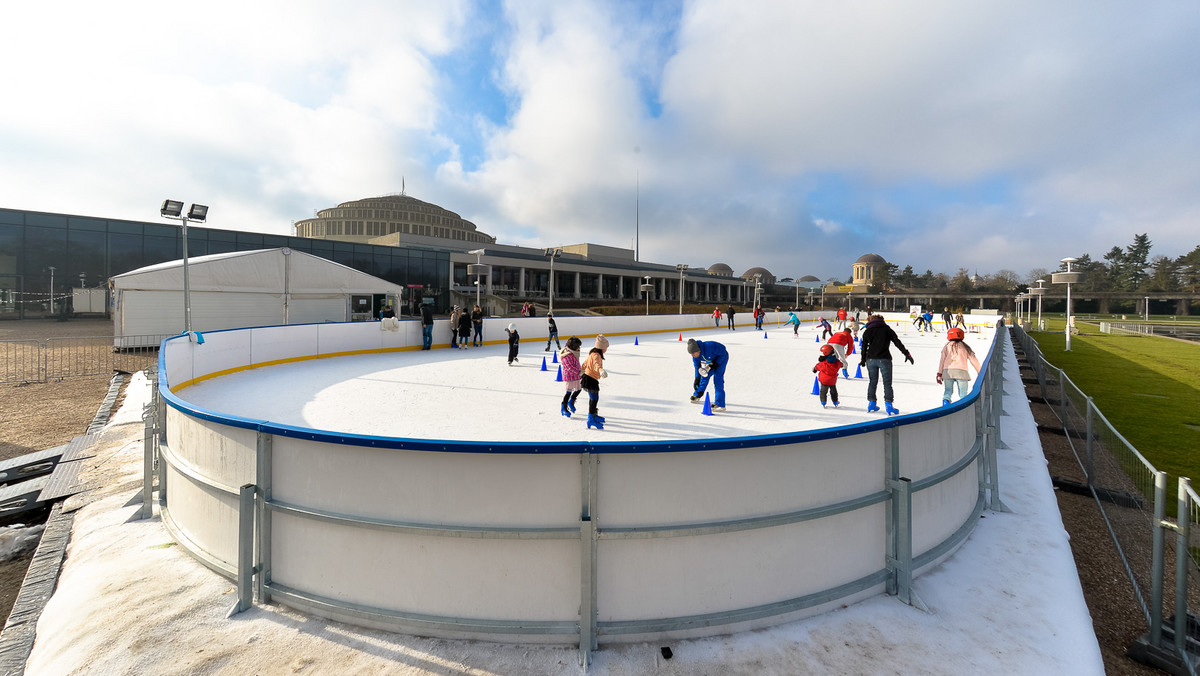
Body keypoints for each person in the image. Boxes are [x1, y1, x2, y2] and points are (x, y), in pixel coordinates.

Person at [859, 313, 914, 415]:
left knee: (872, 381)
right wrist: (907, 354)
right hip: (884, 359)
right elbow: (897, 342)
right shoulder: (887, 329)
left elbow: (864, 347)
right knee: (887, 383)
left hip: (870, 360)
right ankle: (889, 405)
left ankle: (871, 403)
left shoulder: (868, 331)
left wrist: (863, 359)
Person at [937, 327, 981, 405]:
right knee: (963, 393)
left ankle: (946, 401)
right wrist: (980, 372)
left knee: (948, 390)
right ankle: (963, 404)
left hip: (948, 372)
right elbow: (974, 360)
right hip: (962, 372)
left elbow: (942, 361)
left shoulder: (946, 347)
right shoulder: (965, 347)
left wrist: (939, 374)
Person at [687, 338, 729, 411]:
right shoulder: (695, 357)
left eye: (693, 353)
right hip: (711, 361)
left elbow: (723, 352)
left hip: (722, 359)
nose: (692, 355)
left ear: (698, 350)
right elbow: (698, 367)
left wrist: (717, 363)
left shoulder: (709, 346)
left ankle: (720, 404)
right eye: (691, 354)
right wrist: (697, 378)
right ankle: (698, 394)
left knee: (718, 379)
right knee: (704, 375)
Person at [580, 337, 609, 429]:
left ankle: (594, 415)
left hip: (589, 378)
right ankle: (591, 419)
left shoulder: (592, 353)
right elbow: (596, 364)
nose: (606, 349)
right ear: (601, 347)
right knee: (594, 399)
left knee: (593, 399)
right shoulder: (596, 355)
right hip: (590, 379)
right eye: (606, 348)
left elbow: (585, 363)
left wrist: (581, 370)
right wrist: (600, 370)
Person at [559, 336, 583, 417]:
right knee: (568, 393)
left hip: (576, 375)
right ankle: (564, 407)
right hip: (569, 376)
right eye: (578, 346)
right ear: (573, 347)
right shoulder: (566, 355)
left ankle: (571, 402)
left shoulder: (574, 353)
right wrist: (579, 372)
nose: (579, 348)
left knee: (579, 389)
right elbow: (569, 367)